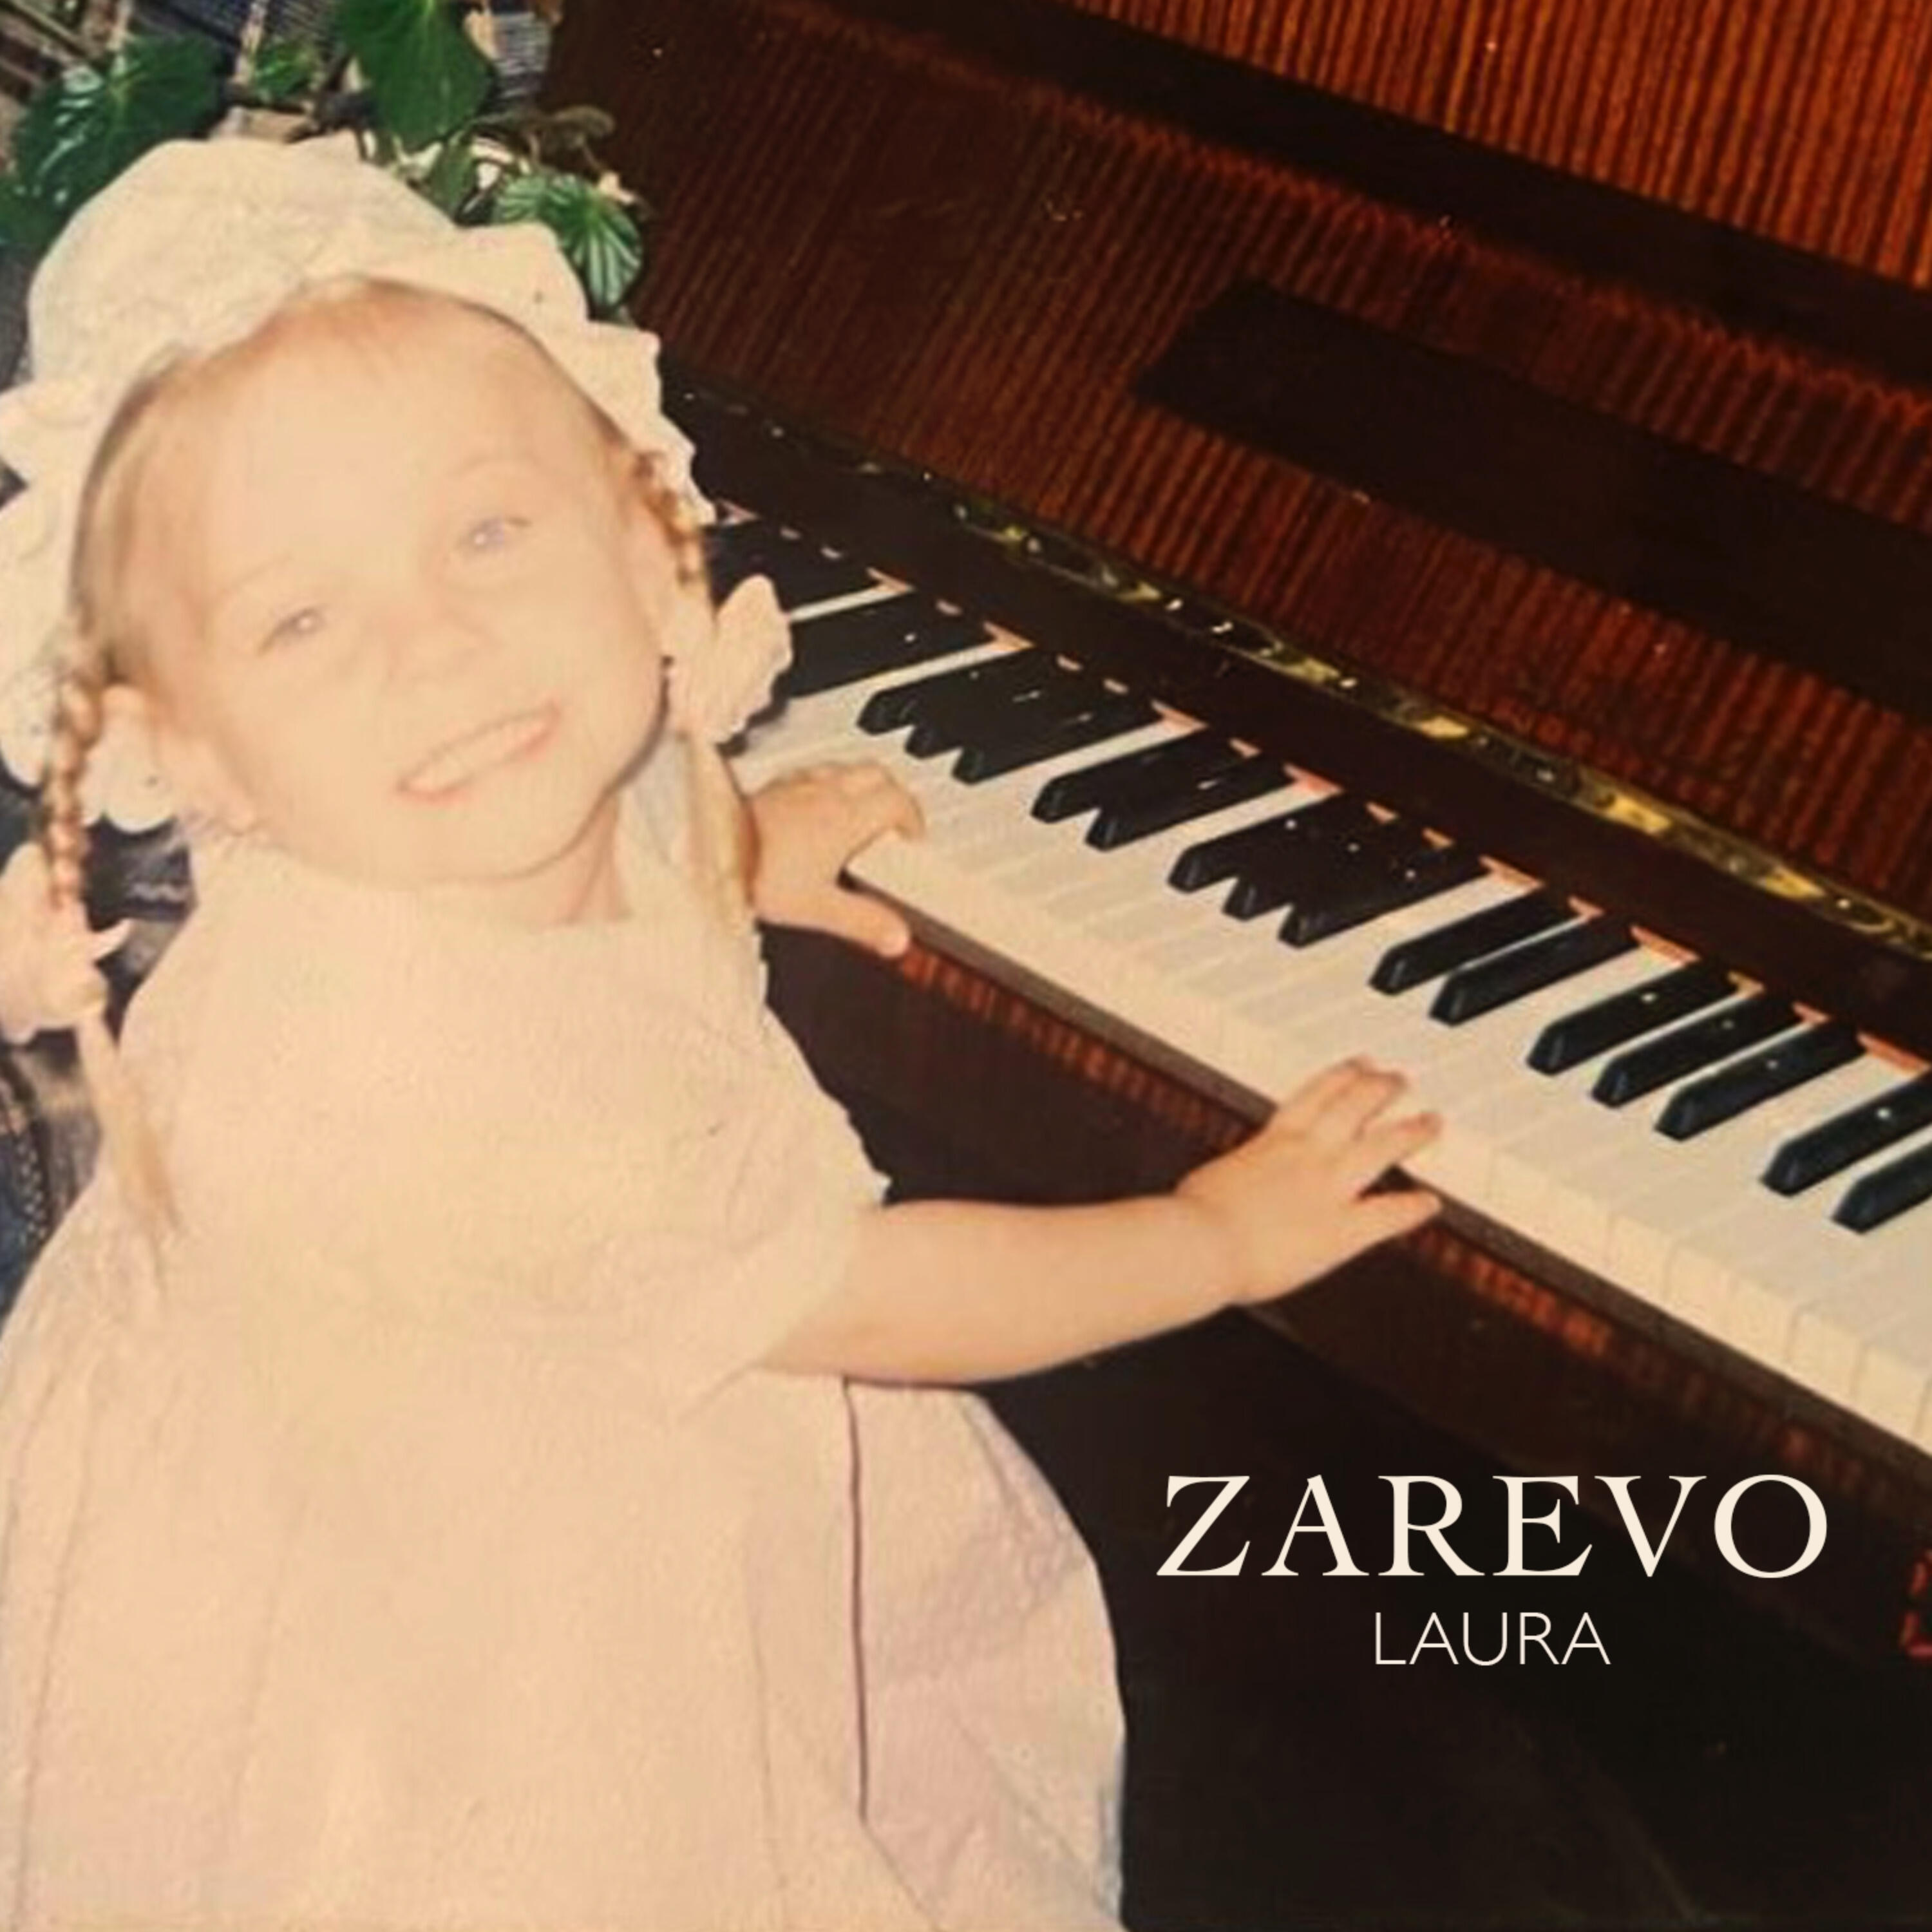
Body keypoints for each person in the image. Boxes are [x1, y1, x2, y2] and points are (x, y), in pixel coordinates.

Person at [0, 137, 1439, 1928]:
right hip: (453, 1653)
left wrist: (729, 860)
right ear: (185, 750)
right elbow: (876, 1295)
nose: (436, 651)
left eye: (487, 536)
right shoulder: (433, 1072)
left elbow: (581, 855)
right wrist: (1213, 1235)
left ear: (637, 537)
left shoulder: (395, 810)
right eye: (301, 619)